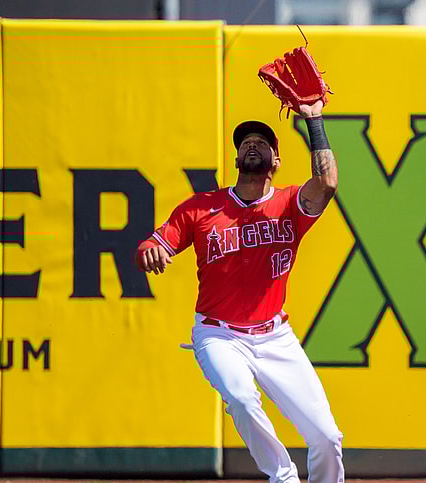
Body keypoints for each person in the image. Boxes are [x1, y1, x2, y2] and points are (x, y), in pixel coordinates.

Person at [135, 100, 343, 483]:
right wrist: (150, 252)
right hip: (218, 334)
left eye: (262, 142)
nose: (252, 145)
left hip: (275, 336)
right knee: (244, 400)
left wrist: (313, 120)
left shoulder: (289, 205)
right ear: (235, 160)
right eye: (245, 141)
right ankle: (283, 476)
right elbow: (157, 243)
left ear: (275, 160)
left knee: (327, 437)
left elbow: (327, 183)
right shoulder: (202, 207)